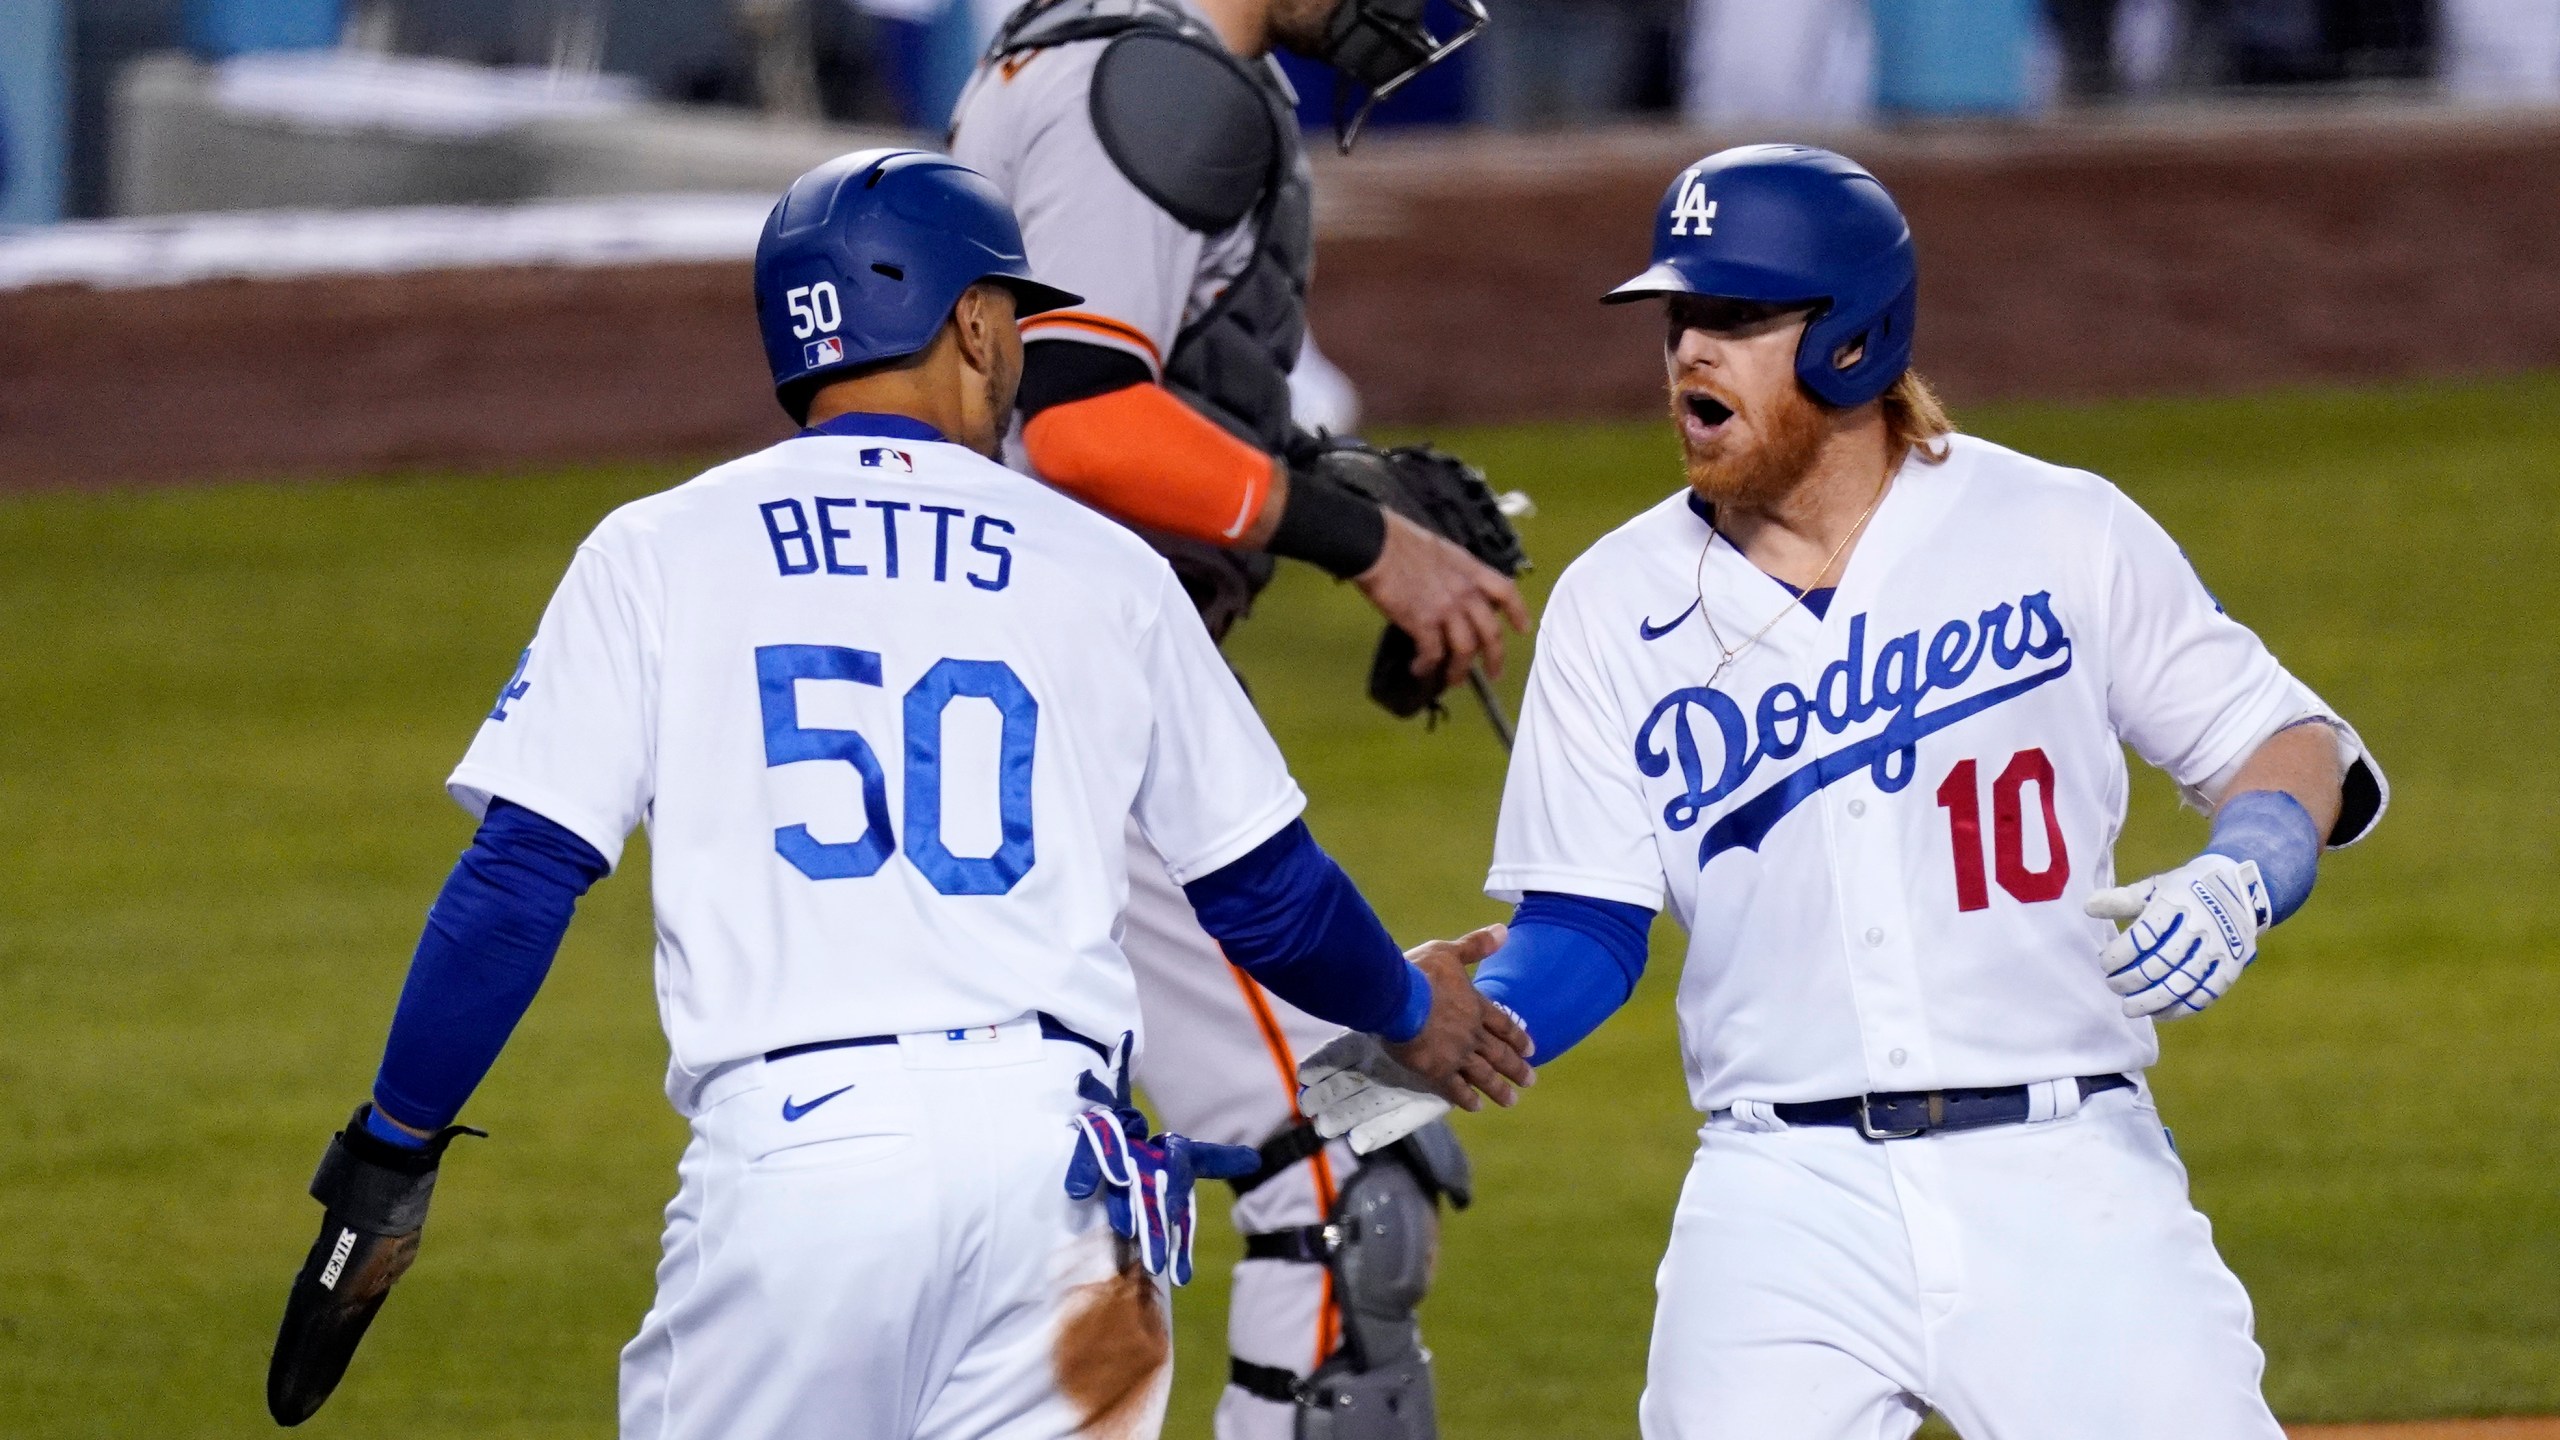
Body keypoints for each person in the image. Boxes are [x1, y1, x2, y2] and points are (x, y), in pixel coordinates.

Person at [261, 148, 1531, 1440]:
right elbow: (1268, 895)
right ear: (972, 325)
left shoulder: (660, 547)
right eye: (1015, 320)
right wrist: (1404, 1004)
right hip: (1068, 1198)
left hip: (802, 1177)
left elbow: (517, 882)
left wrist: (394, 1150)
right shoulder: (1103, 568)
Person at [1303, 144, 2388, 1438]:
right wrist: (1383, 1060)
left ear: (1858, 343)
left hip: (2064, 1176)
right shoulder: (1615, 602)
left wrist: (2241, 875)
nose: (1692, 352)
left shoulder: (2056, 530)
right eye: (1682, 318)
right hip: (1778, 1204)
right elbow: (1587, 933)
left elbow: (2290, 739)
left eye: (1741, 319)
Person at [946, 1, 1526, 1434]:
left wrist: (1318, 482)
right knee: (1334, 1165)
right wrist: (1364, 541)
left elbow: (1083, 393)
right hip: (1075, 706)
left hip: (984, 699)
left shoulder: (1059, 47)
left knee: (1032, 1203)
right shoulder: (1154, 85)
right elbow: (1082, 424)